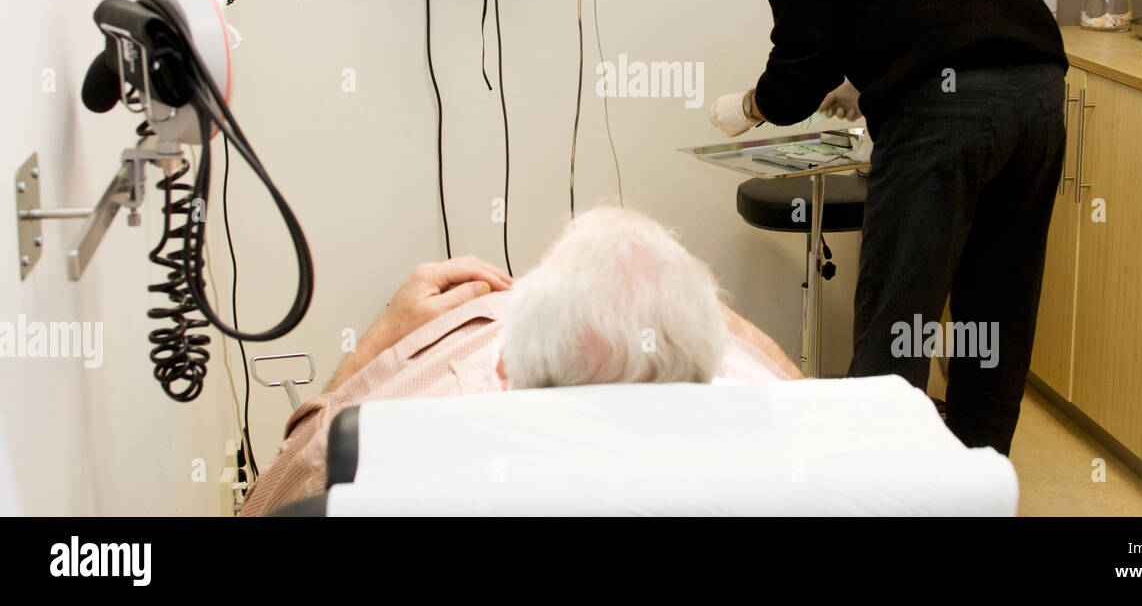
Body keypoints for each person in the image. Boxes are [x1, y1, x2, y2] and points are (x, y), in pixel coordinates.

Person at [709, 0, 1068, 455]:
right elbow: (926, 2)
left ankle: (876, 482)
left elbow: (799, 65)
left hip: (943, 119)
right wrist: (866, 78)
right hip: (1039, 97)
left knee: (899, 311)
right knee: (998, 303)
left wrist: (750, 107)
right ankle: (982, 477)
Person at [239, 206, 800, 515]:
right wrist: (742, 335)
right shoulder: (773, 416)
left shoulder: (380, 447)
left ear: (506, 370)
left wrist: (382, 336)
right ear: (708, 363)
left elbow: (274, 497)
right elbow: (833, 420)